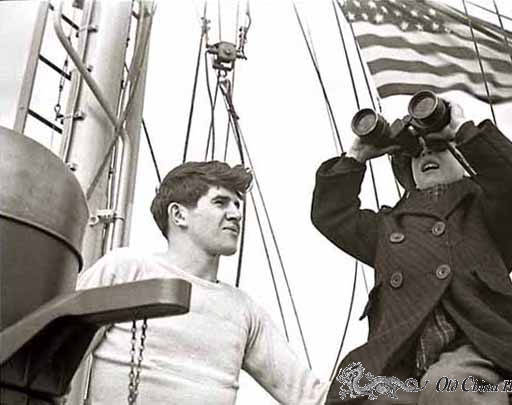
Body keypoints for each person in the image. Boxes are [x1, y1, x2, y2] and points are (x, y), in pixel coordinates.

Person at [311, 99, 512, 405]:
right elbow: (332, 215)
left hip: (478, 345)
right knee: (368, 397)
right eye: (414, 153)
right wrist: (357, 156)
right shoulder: (388, 226)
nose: (426, 154)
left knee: (449, 387)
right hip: (401, 354)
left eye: (438, 147)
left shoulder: (487, 210)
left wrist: (461, 131)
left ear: (465, 161)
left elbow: (506, 180)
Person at [77, 161, 328, 404]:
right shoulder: (126, 269)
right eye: (220, 202)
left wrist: (369, 375)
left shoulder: (244, 310)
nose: (236, 214)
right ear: (178, 214)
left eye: (238, 205)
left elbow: (312, 394)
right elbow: (50, 353)